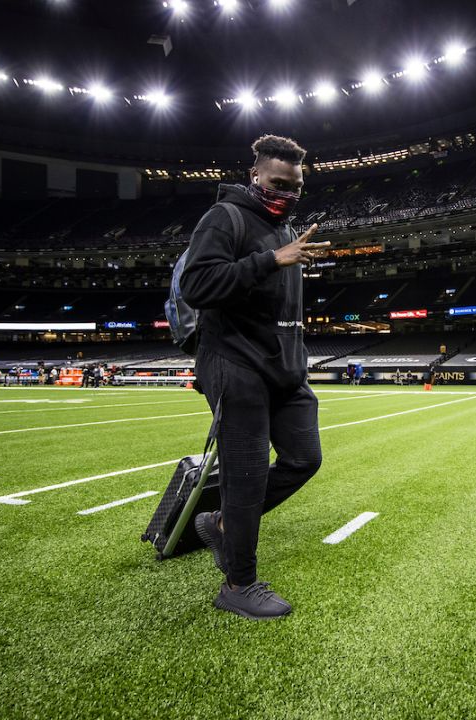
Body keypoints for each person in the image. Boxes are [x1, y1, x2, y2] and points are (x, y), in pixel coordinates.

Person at [179, 134, 330, 620]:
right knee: (244, 478)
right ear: (256, 176)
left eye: (296, 187)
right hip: (234, 362)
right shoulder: (225, 218)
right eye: (279, 183)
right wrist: (270, 260)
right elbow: (197, 285)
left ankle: (223, 524)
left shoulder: (288, 232)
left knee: (304, 458)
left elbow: (286, 308)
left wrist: (297, 359)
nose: (287, 194)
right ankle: (238, 583)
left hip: (283, 367)